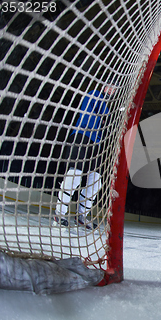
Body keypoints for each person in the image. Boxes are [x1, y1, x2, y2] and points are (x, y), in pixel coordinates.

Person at [53, 80, 118, 230]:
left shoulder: (106, 109)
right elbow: (96, 113)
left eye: (114, 89)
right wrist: (109, 118)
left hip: (95, 144)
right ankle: (60, 213)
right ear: (104, 86)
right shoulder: (95, 95)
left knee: (96, 181)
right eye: (110, 87)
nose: (111, 90)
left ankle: (81, 215)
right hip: (81, 137)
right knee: (74, 174)